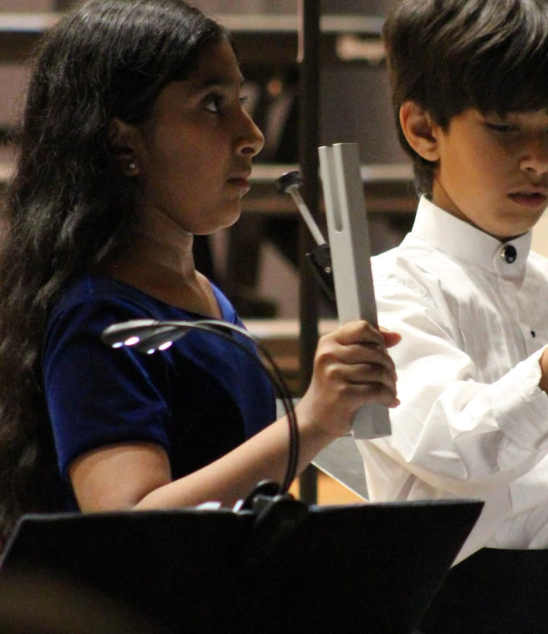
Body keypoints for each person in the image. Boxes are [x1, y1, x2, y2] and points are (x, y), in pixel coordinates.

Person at [0, 0, 400, 545]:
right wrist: (311, 423)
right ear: (124, 143)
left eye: (239, 101)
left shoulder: (201, 295)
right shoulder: (99, 318)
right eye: (213, 105)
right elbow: (128, 524)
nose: (251, 134)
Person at [357, 0, 548, 632]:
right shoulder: (387, 289)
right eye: (504, 128)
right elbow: (461, 451)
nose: (538, 160)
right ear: (422, 130)